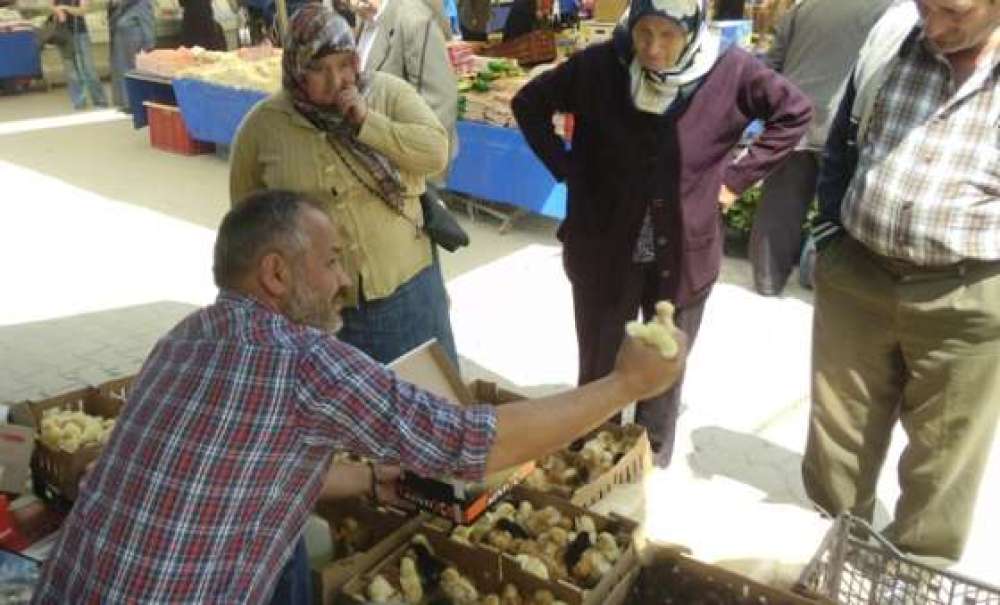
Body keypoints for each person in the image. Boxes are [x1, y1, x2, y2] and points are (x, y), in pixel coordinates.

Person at [31, 189, 687, 603]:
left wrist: (370, 479)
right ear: (278, 273)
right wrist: (625, 384)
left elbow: (243, 467)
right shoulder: (304, 361)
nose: (347, 279)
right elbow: (472, 442)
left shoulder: (185, 336)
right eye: (333, 259)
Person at [512, 0, 810, 467]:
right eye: (644, 33)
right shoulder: (599, 66)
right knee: (599, 354)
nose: (652, 48)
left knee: (664, 355)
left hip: (684, 245)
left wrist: (734, 181)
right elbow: (528, 104)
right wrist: (567, 168)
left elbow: (794, 113)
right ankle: (593, 447)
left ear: (691, 30)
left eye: (668, 35)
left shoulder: (730, 71)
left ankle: (648, 452)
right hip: (604, 240)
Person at [802, 0, 1000, 565]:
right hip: (858, 274)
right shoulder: (894, 33)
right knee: (837, 439)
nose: (934, 26)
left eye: (955, 11)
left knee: (945, 458)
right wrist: (830, 235)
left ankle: (916, 574)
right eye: (926, 5)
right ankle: (831, 558)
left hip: (969, 293)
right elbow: (841, 139)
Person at [230, 5, 459, 366]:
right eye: (318, 69)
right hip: (317, 309)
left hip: (406, 292)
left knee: (431, 399)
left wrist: (368, 123)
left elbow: (435, 153)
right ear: (295, 71)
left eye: (343, 64)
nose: (336, 81)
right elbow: (245, 225)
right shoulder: (262, 128)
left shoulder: (386, 94)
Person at [747, 0, 892, 296]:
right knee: (839, 209)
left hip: (792, 121)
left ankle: (767, 280)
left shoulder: (804, 8)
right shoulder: (891, 12)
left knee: (779, 205)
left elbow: (772, 64)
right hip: (845, 126)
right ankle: (825, 282)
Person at [351, 0, 459, 178]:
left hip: (408, 172)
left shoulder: (414, 19)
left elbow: (440, 105)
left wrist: (424, 179)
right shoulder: (365, 18)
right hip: (374, 164)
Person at [50, 0, 110, 110]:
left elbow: (82, 11)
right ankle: (78, 101)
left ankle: (100, 100)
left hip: (80, 34)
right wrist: (57, 11)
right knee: (70, 70)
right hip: (63, 34)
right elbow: (51, 6)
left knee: (89, 69)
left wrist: (64, 8)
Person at [107, 0, 154, 111]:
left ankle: (135, 103)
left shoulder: (142, 3)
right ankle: (126, 102)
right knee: (123, 72)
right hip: (122, 41)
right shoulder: (123, 4)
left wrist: (149, 45)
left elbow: (147, 23)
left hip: (133, 41)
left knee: (133, 72)